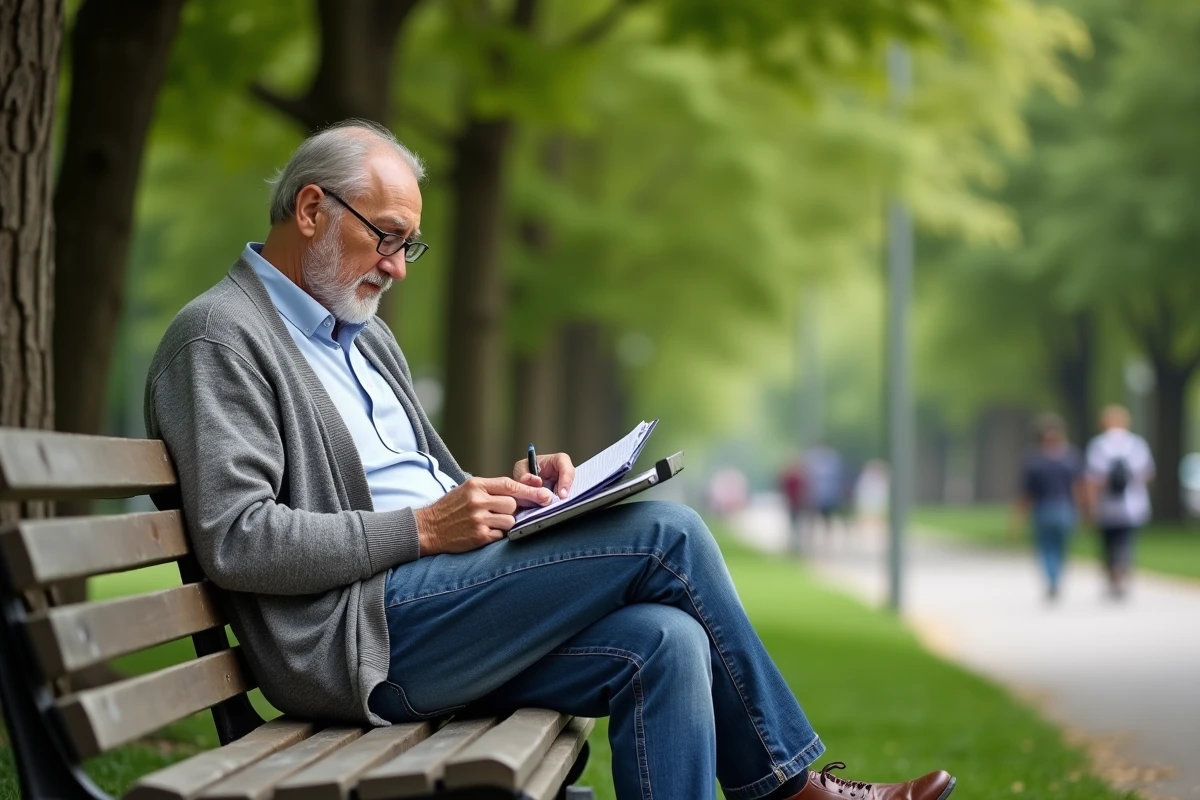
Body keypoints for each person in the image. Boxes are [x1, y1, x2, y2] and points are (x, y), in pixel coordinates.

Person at [144, 120, 955, 800]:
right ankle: (791, 790)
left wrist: (512, 497)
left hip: (427, 601)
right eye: (384, 237)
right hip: (355, 642)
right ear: (313, 209)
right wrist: (424, 529)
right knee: (666, 536)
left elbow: (421, 484)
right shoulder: (221, 338)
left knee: (667, 642)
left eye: (409, 247)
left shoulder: (364, 336)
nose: (395, 267)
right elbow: (239, 538)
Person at [1011, 414, 1085, 601]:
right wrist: (1085, 510)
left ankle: (1052, 580)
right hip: (1065, 509)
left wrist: (1017, 519)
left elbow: (1026, 494)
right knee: (1061, 548)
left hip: (1044, 510)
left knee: (1046, 549)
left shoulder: (1034, 460)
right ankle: (1055, 579)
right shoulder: (1070, 457)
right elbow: (1079, 487)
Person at [1085, 405, 1155, 599]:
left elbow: (1093, 479)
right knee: (1126, 541)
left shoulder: (1098, 444)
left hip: (1106, 505)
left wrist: (1090, 506)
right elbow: (1146, 474)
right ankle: (1122, 569)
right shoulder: (1136, 444)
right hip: (1132, 505)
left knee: (1107, 542)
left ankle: (1113, 574)